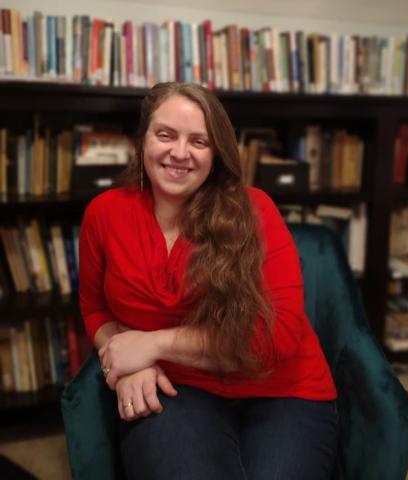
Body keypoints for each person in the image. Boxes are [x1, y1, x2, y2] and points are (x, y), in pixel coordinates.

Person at [79, 82, 338, 480]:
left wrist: (151, 344)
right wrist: (128, 364)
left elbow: (274, 338)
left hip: (284, 390)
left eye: (198, 141)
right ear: (143, 139)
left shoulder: (255, 210)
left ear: (216, 151)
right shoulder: (104, 213)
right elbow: (95, 307)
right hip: (176, 388)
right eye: (165, 134)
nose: (179, 153)